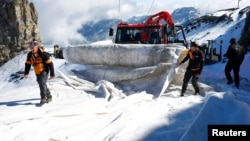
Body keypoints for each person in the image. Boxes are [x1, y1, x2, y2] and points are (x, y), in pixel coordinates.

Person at [24, 41, 55, 105]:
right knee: (42, 84)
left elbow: (50, 64)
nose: (31, 49)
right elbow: (28, 64)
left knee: (42, 83)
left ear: (37, 47)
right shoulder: (30, 55)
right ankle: (49, 96)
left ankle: (43, 98)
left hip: (44, 70)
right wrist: (26, 73)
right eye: (30, 48)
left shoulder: (43, 54)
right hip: (37, 71)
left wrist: (52, 74)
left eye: (33, 48)